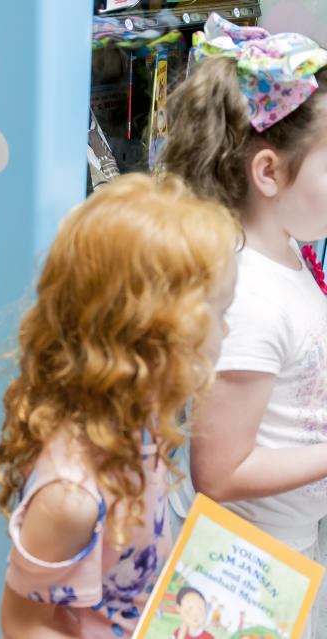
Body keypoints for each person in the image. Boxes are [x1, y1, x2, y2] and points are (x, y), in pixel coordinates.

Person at [0, 173, 240, 639]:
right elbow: (23, 624)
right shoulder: (71, 498)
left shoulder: (140, 411)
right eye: (220, 313)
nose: (227, 330)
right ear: (156, 334)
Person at [161, 14, 327, 638]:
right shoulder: (251, 295)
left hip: (279, 548)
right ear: (268, 174)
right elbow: (222, 472)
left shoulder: (284, 254)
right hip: (244, 565)